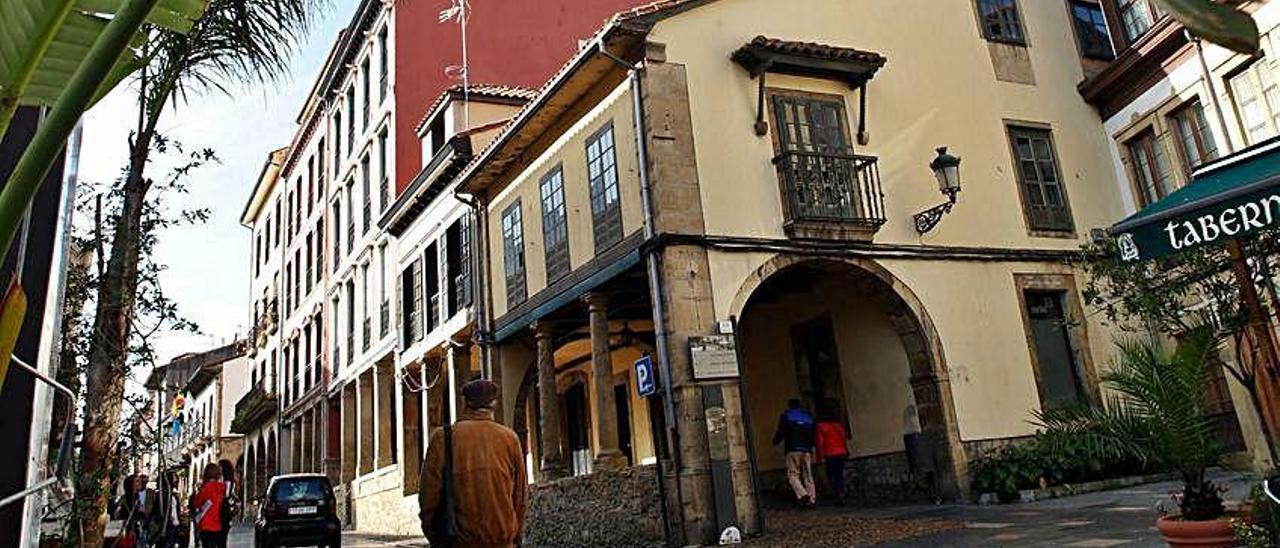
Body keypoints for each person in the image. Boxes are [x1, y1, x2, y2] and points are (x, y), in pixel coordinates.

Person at [418, 379, 527, 548]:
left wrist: (435, 537)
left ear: (465, 402)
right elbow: (520, 496)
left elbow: (428, 497)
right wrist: (514, 536)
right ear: (494, 403)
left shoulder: (443, 438)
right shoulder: (509, 438)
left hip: (458, 541)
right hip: (502, 541)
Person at [773, 398, 817, 507]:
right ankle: (812, 499)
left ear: (789, 406)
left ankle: (803, 494)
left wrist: (775, 441)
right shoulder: (808, 417)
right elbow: (813, 434)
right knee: (808, 475)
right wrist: (811, 446)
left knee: (793, 474)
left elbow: (781, 431)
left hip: (792, 449)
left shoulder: (786, 416)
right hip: (806, 450)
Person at [814, 405, 850, 505]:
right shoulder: (839, 426)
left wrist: (819, 458)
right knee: (839, 474)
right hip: (841, 452)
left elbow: (820, 443)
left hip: (830, 454)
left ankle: (838, 492)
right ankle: (841, 491)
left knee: (831, 475)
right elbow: (843, 439)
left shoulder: (820, 426)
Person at [117, 474, 160, 547]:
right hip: (130, 531)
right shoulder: (128, 499)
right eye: (137, 481)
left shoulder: (137, 497)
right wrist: (130, 529)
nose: (140, 483)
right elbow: (125, 515)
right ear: (131, 484)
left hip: (139, 529)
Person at [191, 463, 226, 548]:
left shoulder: (206, 488)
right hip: (219, 524)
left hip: (206, 524)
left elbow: (196, 503)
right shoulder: (222, 487)